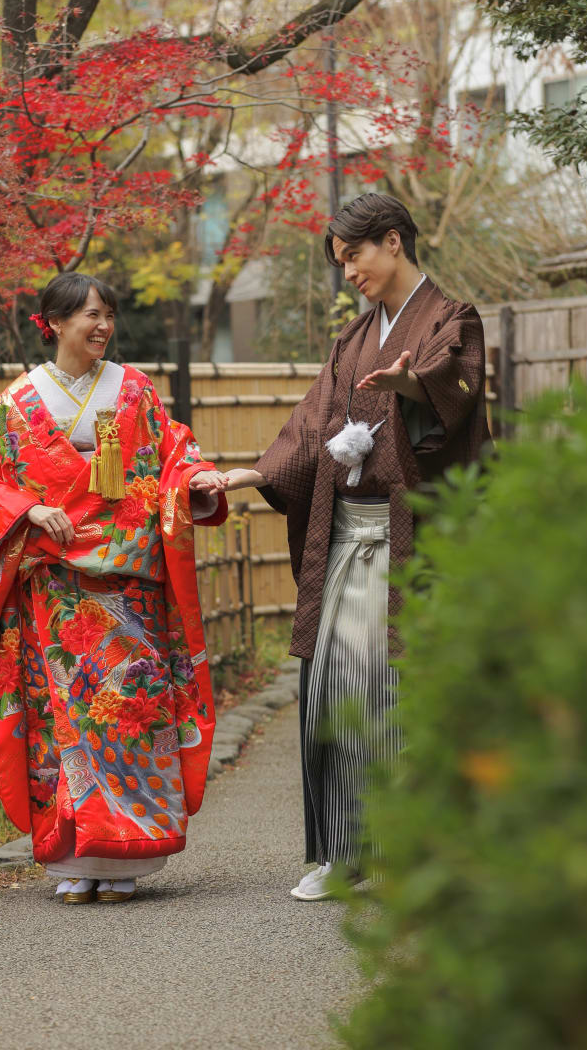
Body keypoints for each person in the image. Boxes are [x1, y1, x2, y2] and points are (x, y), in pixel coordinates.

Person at [223, 193, 491, 900]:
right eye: (340, 262)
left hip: (413, 545)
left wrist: (414, 386)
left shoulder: (453, 320)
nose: (348, 273)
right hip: (348, 539)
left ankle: (419, 855)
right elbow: (313, 427)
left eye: (354, 256)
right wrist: (256, 473)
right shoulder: (351, 339)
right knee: (333, 688)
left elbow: (456, 391)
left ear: (393, 240)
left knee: (404, 692)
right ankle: (342, 853)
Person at [0, 273, 228, 904]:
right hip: (56, 586)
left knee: (130, 710)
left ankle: (127, 854)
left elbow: (173, 455)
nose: (103, 326)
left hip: (127, 585)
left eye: (108, 314)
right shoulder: (20, 401)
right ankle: (75, 857)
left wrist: (195, 479)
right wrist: (28, 509)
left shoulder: (133, 390)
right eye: (90, 314)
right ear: (54, 323)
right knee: (65, 717)